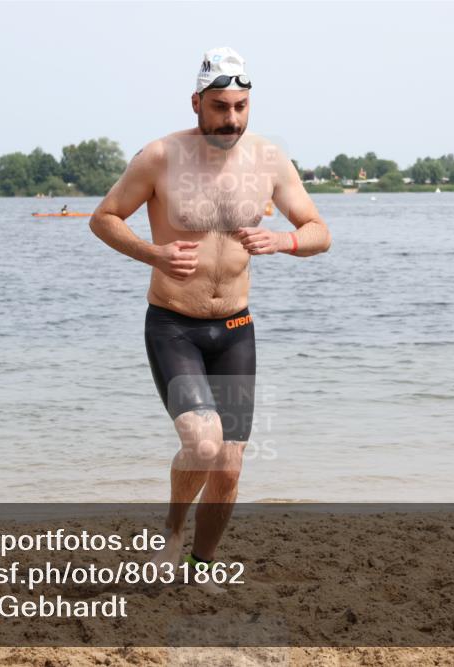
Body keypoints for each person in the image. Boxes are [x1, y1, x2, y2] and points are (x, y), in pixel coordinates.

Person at [89, 47, 331, 590]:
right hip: (174, 325)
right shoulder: (160, 156)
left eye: (242, 106)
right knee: (202, 443)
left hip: (237, 330)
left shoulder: (268, 161)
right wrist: (154, 254)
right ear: (197, 102)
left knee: (228, 465)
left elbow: (320, 231)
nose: (232, 119)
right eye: (221, 107)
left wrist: (284, 240)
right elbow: (103, 218)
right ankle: (172, 535)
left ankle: (202, 568)